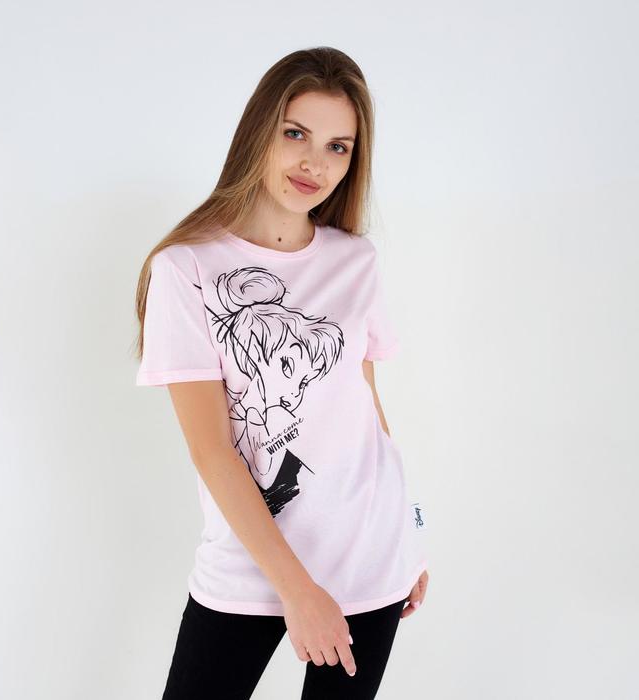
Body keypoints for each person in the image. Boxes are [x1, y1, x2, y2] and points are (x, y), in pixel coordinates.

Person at [133, 46, 430, 700]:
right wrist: (298, 591)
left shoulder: (356, 260)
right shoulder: (186, 269)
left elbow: (367, 408)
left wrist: (410, 534)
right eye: (296, 134)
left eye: (337, 147)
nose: (313, 164)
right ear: (258, 132)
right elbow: (212, 451)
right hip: (252, 565)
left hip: (371, 551)